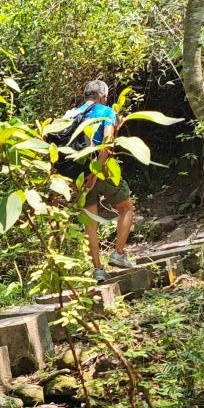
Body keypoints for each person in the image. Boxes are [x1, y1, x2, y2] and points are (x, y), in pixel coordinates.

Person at [54, 78, 135, 281]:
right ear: (103, 96)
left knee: (90, 222)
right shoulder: (106, 112)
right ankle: (118, 254)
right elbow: (107, 143)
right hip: (100, 170)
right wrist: (97, 171)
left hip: (77, 174)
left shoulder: (71, 114)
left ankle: (98, 270)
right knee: (126, 207)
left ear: (85, 96)